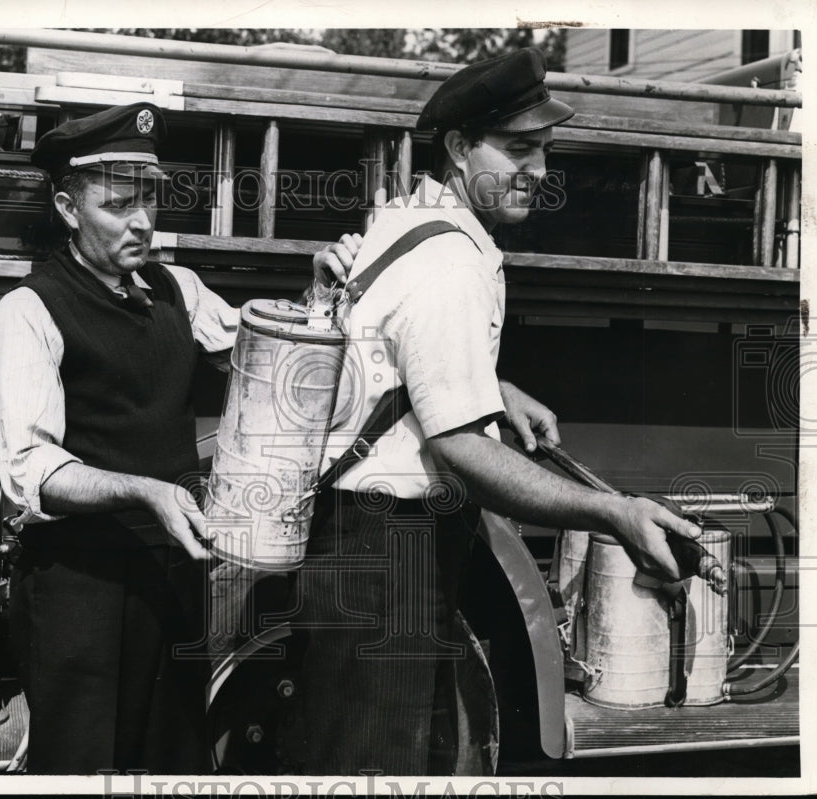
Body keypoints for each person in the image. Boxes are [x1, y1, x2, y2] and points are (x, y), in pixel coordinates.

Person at [296, 47, 704, 776]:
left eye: (545, 150)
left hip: (359, 541)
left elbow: (398, 350)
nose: (539, 171)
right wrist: (615, 513)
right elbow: (462, 451)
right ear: (459, 147)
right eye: (518, 149)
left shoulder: (406, 217)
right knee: (373, 768)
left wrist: (491, 387)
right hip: (390, 547)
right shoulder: (451, 263)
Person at [0, 102, 348, 775]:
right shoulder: (27, 312)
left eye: (149, 198)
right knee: (83, 770)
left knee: (175, 764)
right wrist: (147, 491)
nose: (143, 221)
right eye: (119, 204)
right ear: (67, 209)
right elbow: (30, 472)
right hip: (80, 594)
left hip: (174, 585)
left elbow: (268, 360)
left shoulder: (178, 288)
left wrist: (319, 295)